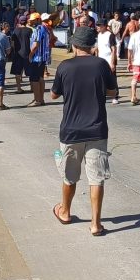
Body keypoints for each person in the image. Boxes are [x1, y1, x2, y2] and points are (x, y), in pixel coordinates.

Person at [49, 26, 116, 237]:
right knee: (96, 179)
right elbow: (112, 91)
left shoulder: (65, 66)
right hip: (97, 129)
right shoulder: (101, 65)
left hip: (71, 131)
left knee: (69, 177)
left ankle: (65, 211)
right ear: (92, 46)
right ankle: (96, 224)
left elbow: (53, 95)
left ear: (74, 45)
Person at [26, 13, 52, 107]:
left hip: (37, 58)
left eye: (33, 20)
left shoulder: (38, 29)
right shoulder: (45, 29)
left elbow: (36, 44)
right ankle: (41, 99)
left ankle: (37, 99)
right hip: (43, 57)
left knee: (34, 79)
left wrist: (30, 55)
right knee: (40, 78)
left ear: (38, 20)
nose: (31, 21)